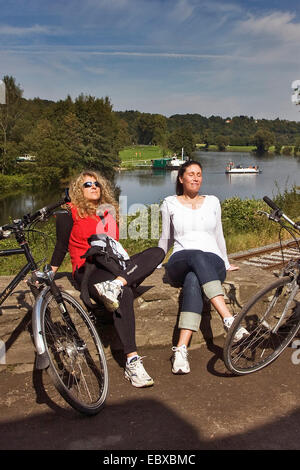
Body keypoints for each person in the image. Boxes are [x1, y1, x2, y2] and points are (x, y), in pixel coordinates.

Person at [50, 170, 164, 388]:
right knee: (126, 293)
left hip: (115, 268)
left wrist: (124, 265)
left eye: (97, 184)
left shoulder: (108, 212)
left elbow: (114, 246)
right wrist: (48, 273)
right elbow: (61, 247)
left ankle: (117, 283)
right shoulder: (69, 213)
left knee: (157, 253)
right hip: (90, 269)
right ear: (77, 190)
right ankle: (132, 361)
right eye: (87, 184)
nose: (94, 187)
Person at [158, 160, 248, 375]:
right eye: (191, 174)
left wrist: (225, 262)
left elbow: (219, 235)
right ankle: (228, 318)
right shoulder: (169, 202)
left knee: (193, 279)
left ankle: (180, 349)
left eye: (199, 174)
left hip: (212, 261)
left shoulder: (213, 201)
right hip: (180, 259)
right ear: (181, 178)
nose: (196, 178)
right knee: (195, 257)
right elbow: (165, 239)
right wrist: (153, 262)